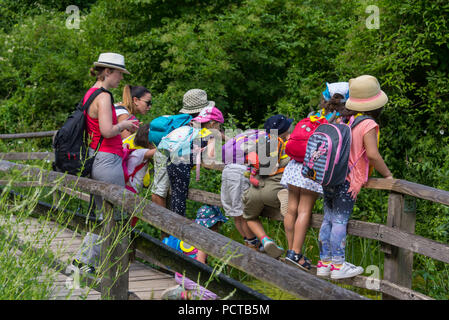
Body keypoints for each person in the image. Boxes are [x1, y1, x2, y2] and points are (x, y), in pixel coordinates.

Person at [316, 75, 393, 279]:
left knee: (328, 219)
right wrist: (388, 175)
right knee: (340, 221)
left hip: (330, 176)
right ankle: (338, 265)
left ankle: (324, 262)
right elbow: (373, 155)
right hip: (349, 180)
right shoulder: (367, 124)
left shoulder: (344, 118)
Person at [70, 52, 139, 274]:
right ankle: (86, 264)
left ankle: (89, 263)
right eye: (119, 73)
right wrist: (125, 124)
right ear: (108, 71)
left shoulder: (89, 93)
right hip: (107, 159)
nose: (121, 79)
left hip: (96, 157)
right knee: (114, 215)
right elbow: (107, 130)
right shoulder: (104, 96)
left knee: (106, 214)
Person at [279, 82, 349, 271]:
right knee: (303, 211)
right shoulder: (339, 123)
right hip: (312, 170)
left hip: (294, 168)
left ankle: (290, 250)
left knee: (291, 209)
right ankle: (296, 252)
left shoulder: (313, 116)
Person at [150, 89, 211, 208]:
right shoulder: (197, 124)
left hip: (163, 152)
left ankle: (162, 223)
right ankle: (163, 224)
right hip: (167, 154)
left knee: (160, 190)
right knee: (160, 191)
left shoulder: (184, 120)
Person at [242, 114, 292, 259]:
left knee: (250, 217)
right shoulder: (285, 143)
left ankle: (265, 239)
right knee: (292, 213)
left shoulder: (260, 142)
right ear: (284, 130)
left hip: (255, 189)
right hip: (274, 188)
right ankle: (284, 194)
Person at [163, 105, 224, 217]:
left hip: (171, 161)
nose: (219, 129)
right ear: (212, 124)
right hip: (182, 166)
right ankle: (177, 227)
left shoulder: (193, 129)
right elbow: (211, 156)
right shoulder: (211, 135)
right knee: (181, 197)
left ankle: (172, 227)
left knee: (175, 195)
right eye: (219, 125)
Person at [160, 205, 228, 300]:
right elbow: (200, 263)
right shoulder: (204, 238)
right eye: (218, 225)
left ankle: (183, 287)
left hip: (180, 273)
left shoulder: (192, 229)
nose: (218, 229)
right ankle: (181, 294)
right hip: (190, 275)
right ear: (213, 225)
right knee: (212, 295)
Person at [221, 129, 263, 251]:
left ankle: (247, 240)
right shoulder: (260, 139)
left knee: (236, 213)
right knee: (242, 213)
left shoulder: (239, 139)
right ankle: (252, 243)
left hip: (228, 170)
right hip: (239, 173)